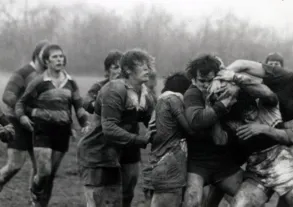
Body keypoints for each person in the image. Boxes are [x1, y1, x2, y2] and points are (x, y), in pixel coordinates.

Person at [223, 53, 293, 206]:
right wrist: (222, 78)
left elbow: (291, 138)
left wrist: (264, 128)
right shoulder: (281, 76)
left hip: (277, 155)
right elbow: (242, 63)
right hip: (251, 152)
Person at [77, 49, 155, 207]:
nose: (147, 69)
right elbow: (109, 128)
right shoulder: (115, 89)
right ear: (127, 70)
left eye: (148, 65)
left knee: (116, 203)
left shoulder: (145, 95)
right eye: (142, 65)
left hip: (114, 155)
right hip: (96, 154)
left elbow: (154, 125)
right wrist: (140, 140)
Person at [15, 44, 90, 206]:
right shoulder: (39, 82)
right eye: (55, 57)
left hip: (62, 131)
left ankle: (41, 204)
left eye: (61, 56)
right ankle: (34, 189)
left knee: (50, 176)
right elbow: (21, 103)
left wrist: (84, 123)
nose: (59, 60)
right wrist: (22, 117)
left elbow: (78, 106)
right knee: (44, 172)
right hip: (42, 129)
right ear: (47, 61)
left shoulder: (71, 83)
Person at [182, 54, 242, 207]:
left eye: (210, 80)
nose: (206, 85)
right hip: (198, 161)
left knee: (249, 198)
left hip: (223, 160)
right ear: (193, 80)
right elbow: (197, 121)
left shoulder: (227, 89)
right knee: (192, 201)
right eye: (202, 81)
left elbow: (221, 139)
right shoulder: (192, 93)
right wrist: (223, 104)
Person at [0, 40, 49, 194]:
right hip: (17, 123)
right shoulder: (23, 72)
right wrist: (26, 110)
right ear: (37, 54)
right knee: (14, 165)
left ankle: (34, 201)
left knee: (42, 169)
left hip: (38, 126)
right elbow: (7, 96)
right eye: (45, 53)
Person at [147, 72, 193, 207]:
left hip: (158, 162)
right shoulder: (173, 100)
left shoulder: (161, 101)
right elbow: (189, 129)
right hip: (169, 164)